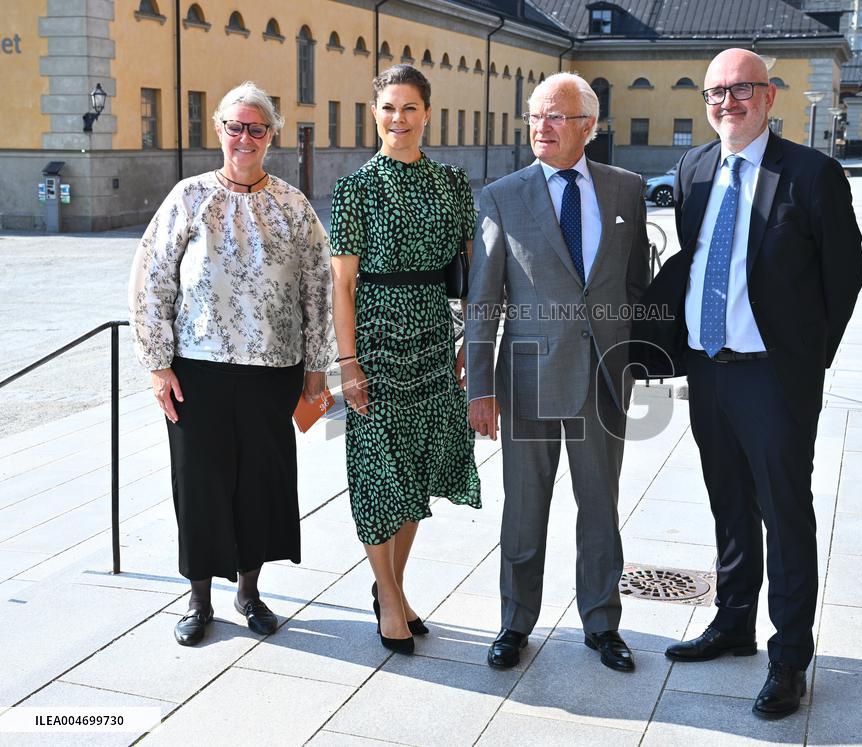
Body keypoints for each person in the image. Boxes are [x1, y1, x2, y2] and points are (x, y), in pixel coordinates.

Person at [632, 49, 862, 718]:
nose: (727, 102)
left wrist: (805, 360)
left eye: (741, 90)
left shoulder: (812, 175)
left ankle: (788, 655)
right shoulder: (695, 168)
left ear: (768, 97)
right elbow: (698, 258)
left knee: (785, 513)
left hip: (774, 378)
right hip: (709, 371)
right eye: (715, 93)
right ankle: (733, 622)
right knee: (729, 503)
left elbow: (844, 276)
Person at [128, 81, 333, 646]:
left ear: (272, 135)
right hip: (198, 372)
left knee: (259, 483)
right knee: (200, 483)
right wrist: (157, 363)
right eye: (235, 126)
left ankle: (249, 591)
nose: (245, 137)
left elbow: (318, 288)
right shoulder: (188, 198)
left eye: (257, 128)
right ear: (219, 129)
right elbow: (152, 279)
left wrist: (317, 366)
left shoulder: (293, 206)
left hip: (274, 371)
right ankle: (198, 600)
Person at [465, 72, 650, 673]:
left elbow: (634, 283)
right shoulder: (502, 196)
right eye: (534, 115)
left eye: (555, 117)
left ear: (588, 128)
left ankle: (602, 625)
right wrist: (481, 389)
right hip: (528, 380)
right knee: (524, 508)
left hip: (603, 376)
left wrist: (640, 358)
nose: (540, 127)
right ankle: (515, 623)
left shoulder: (625, 190)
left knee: (600, 506)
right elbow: (483, 300)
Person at [329, 64, 481, 655]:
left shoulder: (450, 182)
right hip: (374, 338)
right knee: (376, 472)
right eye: (388, 107)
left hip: (433, 339)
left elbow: (474, 273)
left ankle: (393, 586)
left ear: (427, 113)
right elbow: (341, 285)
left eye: (409, 107)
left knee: (415, 472)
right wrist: (347, 362)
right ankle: (388, 599)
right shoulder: (355, 188)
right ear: (375, 113)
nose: (399, 118)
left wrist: (473, 339)